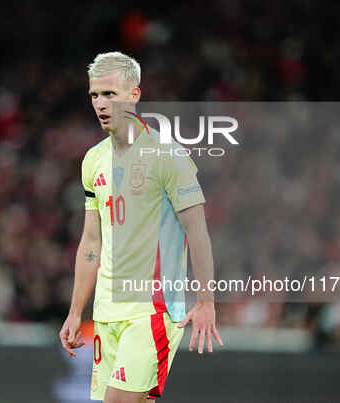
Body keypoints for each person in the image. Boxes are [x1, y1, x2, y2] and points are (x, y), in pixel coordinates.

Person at [59, 51, 224, 403]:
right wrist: (76, 312)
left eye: (110, 94)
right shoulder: (93, 160)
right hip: (106, 311)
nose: (101, 104)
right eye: (94, 95)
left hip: (153, 307)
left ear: (134, 95)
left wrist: (207, 300)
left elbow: (197, 231)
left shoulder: (167, 155)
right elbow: (91, 241)